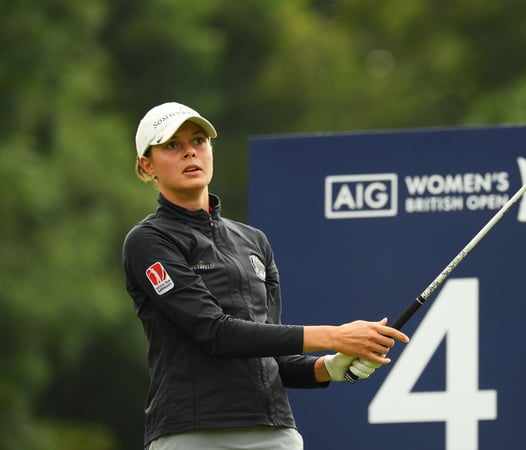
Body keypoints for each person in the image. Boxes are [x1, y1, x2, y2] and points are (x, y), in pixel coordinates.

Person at [122, 102, 409, 450]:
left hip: (274, 432)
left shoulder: (253, 241)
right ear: (146, 165)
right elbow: (216, 333)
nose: (190, 153)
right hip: (191, 433)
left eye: (198, 141)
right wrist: (336, 336)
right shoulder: (149, 241)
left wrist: (330, 367)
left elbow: (274, 360)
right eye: (172, 145)